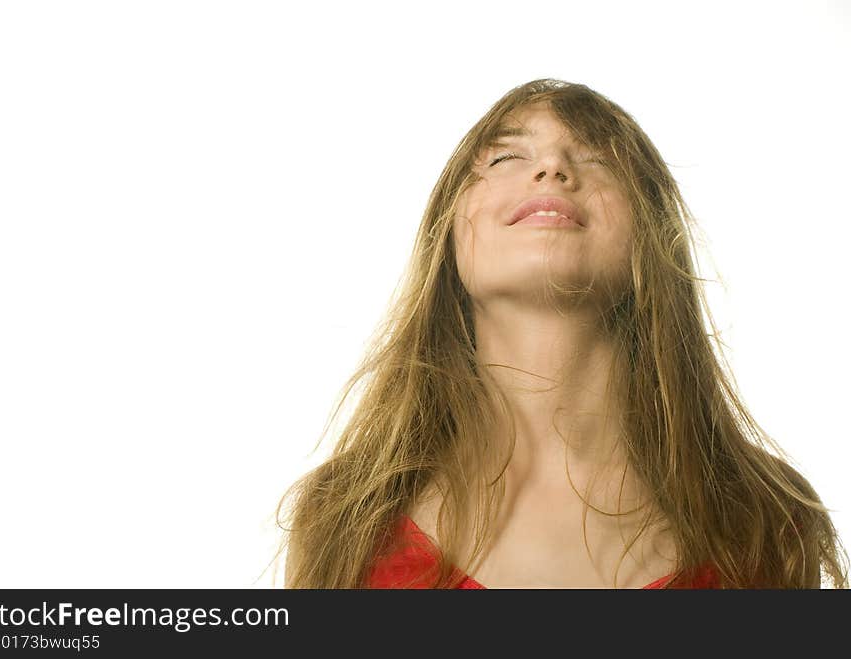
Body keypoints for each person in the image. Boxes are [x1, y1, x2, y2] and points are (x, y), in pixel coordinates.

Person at [273, 78, 849, 588]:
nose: (552, 169)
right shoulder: (343, 518)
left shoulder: (767, 522)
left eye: (598, 157)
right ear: (445, 239)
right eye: (504, 159)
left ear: (654, 236)